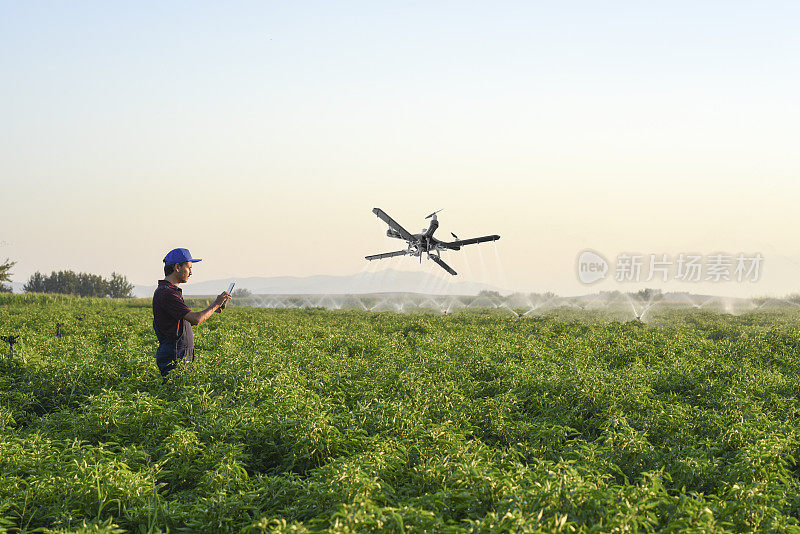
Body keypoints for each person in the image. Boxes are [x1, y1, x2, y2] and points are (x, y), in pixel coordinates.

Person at [152, 248, 230, 381]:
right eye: (189, 268)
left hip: (179, 354)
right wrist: (216, 303)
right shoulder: (167, 293)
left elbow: (181, 321)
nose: (191, 273)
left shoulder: (170, 291)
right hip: (175, 357)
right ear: (177, 267)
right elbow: (195, 319)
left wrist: (214, 309)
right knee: (176, 395)